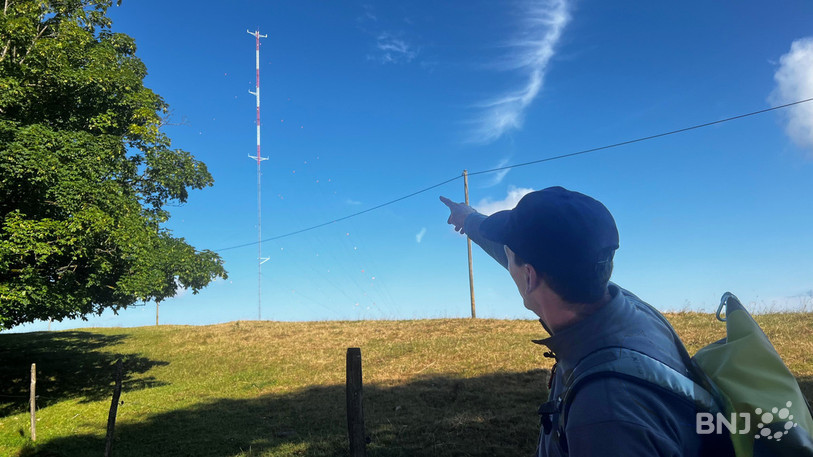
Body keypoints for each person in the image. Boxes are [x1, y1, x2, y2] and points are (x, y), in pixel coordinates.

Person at [440, 187, 722, 457]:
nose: (506, 257)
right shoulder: (620, 303)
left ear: (529, 276)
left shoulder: (604, 414)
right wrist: (469, 218)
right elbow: (522, 256)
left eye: (510, 255)